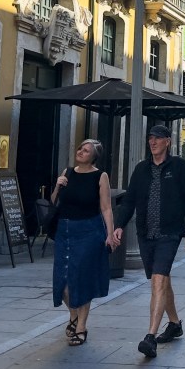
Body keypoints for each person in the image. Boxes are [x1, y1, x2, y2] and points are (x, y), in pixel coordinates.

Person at [113, 123, 185, 360]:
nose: (152, 142)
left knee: (157, 280)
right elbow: (129, 200)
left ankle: (150, 337)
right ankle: (174, 323)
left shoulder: (180, 168)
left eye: (157, 138)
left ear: (168, 142)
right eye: (150, 139)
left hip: (170, 232)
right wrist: (119, 226)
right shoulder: (141, 169)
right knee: (162, 281)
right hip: (146, 233)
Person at [51, 139, 116, 347]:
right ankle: (74, 316)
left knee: (82, 278)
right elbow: (53, 203)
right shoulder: (67, 172)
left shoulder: (100, 176)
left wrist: (110, 233)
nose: (80, 151)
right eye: (80, 148)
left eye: (86, 150)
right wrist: (57, 186)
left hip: (89, 231)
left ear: (94, 156)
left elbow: (106, 207)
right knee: (63, 282)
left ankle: (81, 327)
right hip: (65, 231)